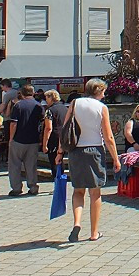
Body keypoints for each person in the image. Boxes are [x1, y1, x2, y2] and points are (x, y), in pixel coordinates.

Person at [55, 79, 121, 243]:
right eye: (103, 91)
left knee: (78, 191)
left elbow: (65, 130)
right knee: (95, 193)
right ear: (98, 91)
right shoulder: (101, 108)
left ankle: (77, 223)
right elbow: (108, 136)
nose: (104, 94)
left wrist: (59, 152)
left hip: (76, 151)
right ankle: (94, 232)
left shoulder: (75, 103)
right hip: (94, 150)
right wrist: (116, 158)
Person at [8, 84, 44, 196]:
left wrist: (11, 139)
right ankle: (33, 187)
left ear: (22, 94)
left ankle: (16, 188)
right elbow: (43, 123)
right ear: (33, 93)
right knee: (31, 165)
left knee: (14, 165)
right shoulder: (39, 106)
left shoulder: (18, 106)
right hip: (33, 140)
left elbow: (13, 124)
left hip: (18, 140)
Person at [41, 90, 67, 177]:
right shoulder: (65, 109)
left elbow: (48, 128)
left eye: (46, 98)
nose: (46, 101)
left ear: (51, 98)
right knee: (61, 159)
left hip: (54, 138)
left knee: (54, 161)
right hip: (64, 137)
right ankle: (62, 182)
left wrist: (45, 144)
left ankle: (57, 184)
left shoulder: (50, 111)